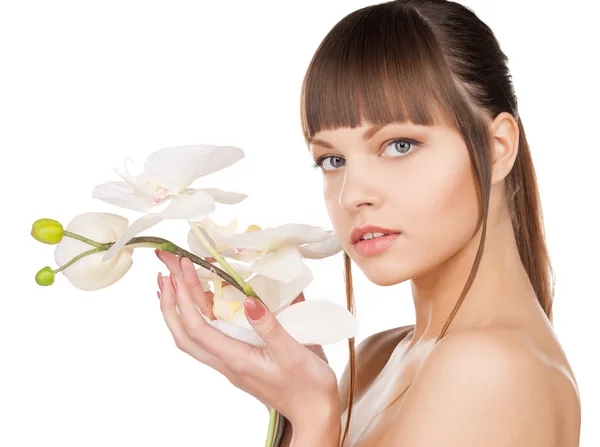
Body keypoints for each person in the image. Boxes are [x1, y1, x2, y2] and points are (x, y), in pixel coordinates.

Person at [154, 0, 581, 445]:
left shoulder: (489, 370)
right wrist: (287, 400)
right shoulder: (379, 357)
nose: (352, 194)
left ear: (497, 148)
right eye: (333, 159)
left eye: (399, 145)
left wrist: (313, 414)